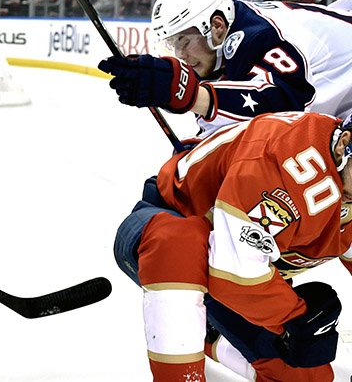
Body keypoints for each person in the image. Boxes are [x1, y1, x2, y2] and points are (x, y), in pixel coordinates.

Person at [112, 111, 350, 381]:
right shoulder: (287, 162)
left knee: (308, 377)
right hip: (157, 232)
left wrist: (297, 326)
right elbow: (234, 276)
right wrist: (296, 317)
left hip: (239, 281)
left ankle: (205, 333)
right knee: (181, 242)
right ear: (344, 144)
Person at [98, 0, 352, 138]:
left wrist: (195, 96)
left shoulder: (259, 37)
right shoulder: (229, 36)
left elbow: (286, 102)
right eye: (172, 45)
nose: (181, 54)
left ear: (217, 26)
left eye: (184, 41)